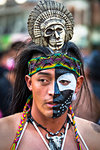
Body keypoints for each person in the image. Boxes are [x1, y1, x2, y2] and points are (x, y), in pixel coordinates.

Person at [0, 0, 100, 150]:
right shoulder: (4, 135)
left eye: (64, 82)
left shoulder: (94, 138)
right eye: (43, 80)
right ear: (29, 82)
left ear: (78, 84)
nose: (53, 92)